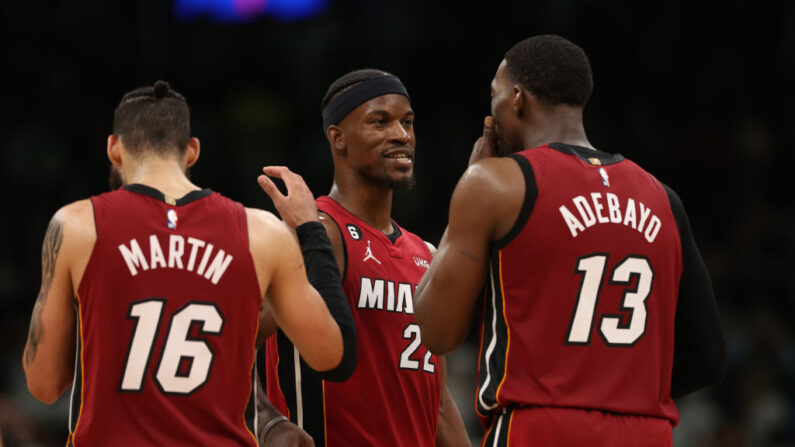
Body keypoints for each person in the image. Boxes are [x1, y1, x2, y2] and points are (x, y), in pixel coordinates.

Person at [414, 35, 726, 446]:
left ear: (517, 99)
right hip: (646, 430)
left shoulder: (495, 183)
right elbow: (708, 358)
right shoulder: (662, 197)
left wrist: (468, 190)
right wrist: (619, 391)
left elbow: (434, 331)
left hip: (542, 426)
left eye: (495, 94)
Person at [22, 80, 356, 446]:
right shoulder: (261, 232)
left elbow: (44, 385)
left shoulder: (75, 225)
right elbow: (333, 357)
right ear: (193, 151)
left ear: (114, 150)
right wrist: (310, 228)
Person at [259, 69, 470, 446]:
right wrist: (265, 418)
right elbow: (233, 337)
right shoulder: (315, 233)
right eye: (380, 122)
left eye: (407, 122)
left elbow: (436, 402)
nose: (401, 135)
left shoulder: (426, 254)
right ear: (337, 138)